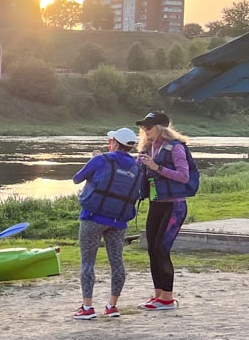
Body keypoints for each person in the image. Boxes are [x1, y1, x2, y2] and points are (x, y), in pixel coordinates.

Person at [71, 127, 144, 319]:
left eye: (110, 139)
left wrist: (94, 159)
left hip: (92, 217)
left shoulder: (100, 159)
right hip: (118, 221)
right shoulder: (137, 167)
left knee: (88, 262)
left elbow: (76, 179)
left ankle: (87, 308)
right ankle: (112, 306)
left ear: (114, 143)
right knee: (117, 262)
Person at [136, 110, 194, 310]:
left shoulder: (176, 148)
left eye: (148, 126)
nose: (145, 130)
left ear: (160, 127)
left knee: (162, 248)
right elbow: (137, 170)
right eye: (143, 127)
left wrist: (157, 167)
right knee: (152, 248)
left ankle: (168, 299)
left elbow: (184, 176)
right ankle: (158, 295)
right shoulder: (148, 148)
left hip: (174, 205)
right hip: (156, 203)